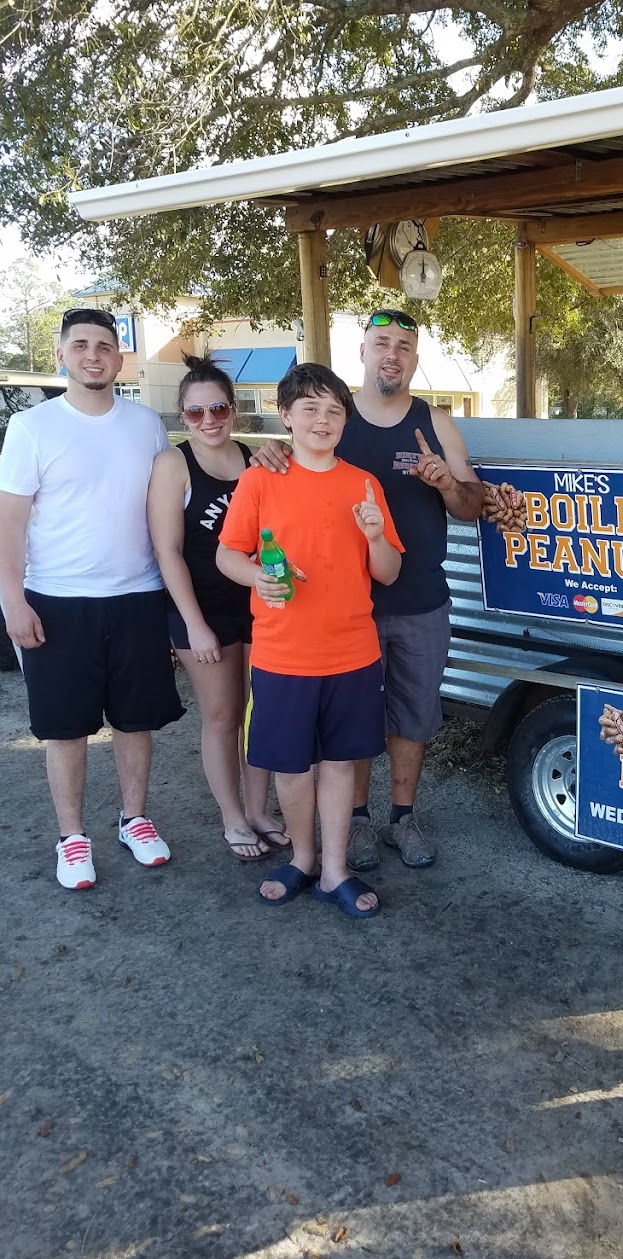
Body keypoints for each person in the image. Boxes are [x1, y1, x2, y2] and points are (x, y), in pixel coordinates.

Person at [254, 308, 484, 869]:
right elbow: (284, 467)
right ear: (362, 351)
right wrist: (267, 450)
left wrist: (447, 482)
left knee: (414, 715)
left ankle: (402, 818)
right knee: (350, 727)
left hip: (420, 600)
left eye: (404, 346)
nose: (392, 355)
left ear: (414, 359)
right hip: (339, 612)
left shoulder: (435, 422)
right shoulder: (332, 415)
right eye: (382, 343)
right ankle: (353, 823)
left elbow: (473, 507)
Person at [0, 306, 183, 888]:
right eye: (80, 345)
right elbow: (10, 524)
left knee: (136, 721)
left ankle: (135, 820)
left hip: (137, 596)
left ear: (119, 357)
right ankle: (73, 839)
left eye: (103, 346)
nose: (92, 355)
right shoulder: (32, 428)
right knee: (64, 727)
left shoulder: (146, 424)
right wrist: (11, 601)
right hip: (56, 599)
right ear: (62, 353)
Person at [217, 362, 403, 915]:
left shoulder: (364, 484)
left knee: (341, 764)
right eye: (310, 409)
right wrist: (257, 576)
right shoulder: (258, 480)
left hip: (352, 652)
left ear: (344, 421)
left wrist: (374, 536)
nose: (322, 420)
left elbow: (389, 571)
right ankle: (303, 860)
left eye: (333, 411)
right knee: (292, 767)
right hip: (281, 654)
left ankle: (336, 871)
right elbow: (229, 553)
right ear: (285, 417)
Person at [147, 355, 289, 860]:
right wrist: (193, 624)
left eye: (218, 408)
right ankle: (231, 817)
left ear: (234, 411)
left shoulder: (257, 460)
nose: (208, 420)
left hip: (257, 604)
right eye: (195, 413)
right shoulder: (173, 464)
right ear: (182, 416)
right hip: (201, 610)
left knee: (260, 712)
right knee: (223, 715)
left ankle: (257, 809)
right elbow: (166, 550)